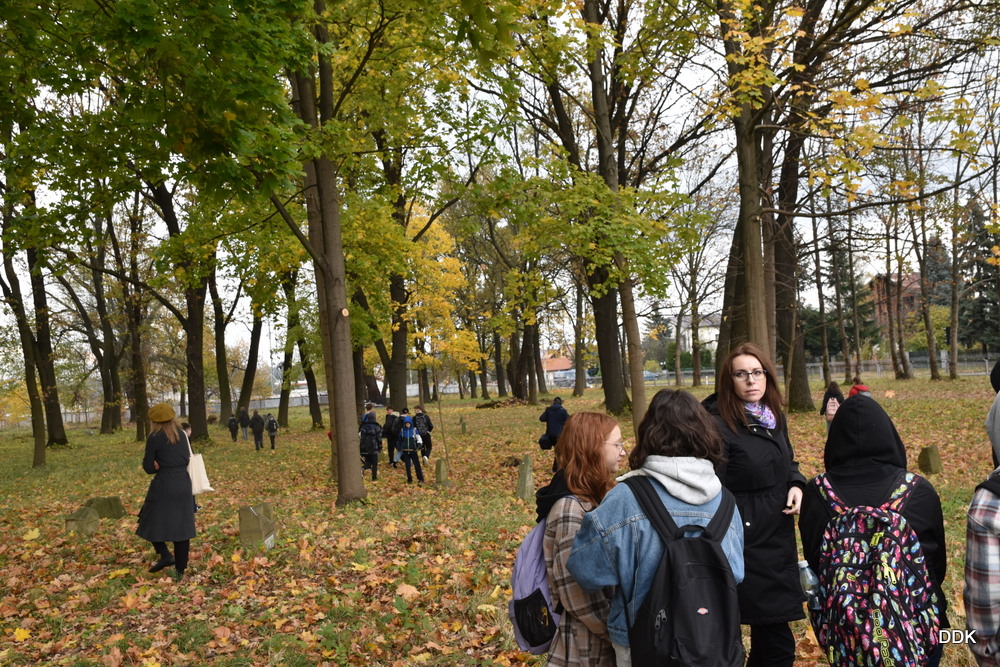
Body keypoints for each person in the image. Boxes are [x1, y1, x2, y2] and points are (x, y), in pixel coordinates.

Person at [567, 390, 744, 665]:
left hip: (642, 643)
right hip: (712, 641)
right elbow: (737, 573)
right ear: (706, 434)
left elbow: (586, 571)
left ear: (649, 434)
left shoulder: (625, 499)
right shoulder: (726, 502)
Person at [800, 394, 948, 666]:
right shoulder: (918, 490)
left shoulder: (817, 493)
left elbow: (815, 559)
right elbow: (935, 566)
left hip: (846, 631)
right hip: (916, 627)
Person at [701, 342, 805, 667]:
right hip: (745, 544)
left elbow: (787, 461)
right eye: (741, 374)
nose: (751, 380)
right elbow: (710, 489)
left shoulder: (772, 417)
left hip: (777, 539)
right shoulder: (717, 425)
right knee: (773, 647)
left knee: (769, 641)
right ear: (728, 380)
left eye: (757, 372)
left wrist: (796, 483)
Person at [534, 412, 623, 666]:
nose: (623, 451)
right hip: (586, 647)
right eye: (617, 444)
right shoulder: (570, 510)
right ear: (592, 448)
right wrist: (618, 633)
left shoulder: (598, 497)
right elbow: (577, 597)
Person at [135, 403, 196, 581]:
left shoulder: (154, 437)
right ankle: (179, 572)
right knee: (182, 527)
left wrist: (156, 465)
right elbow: (186, 458)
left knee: (148, 518)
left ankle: (165, 554)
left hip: (164, 483)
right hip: (183, 483)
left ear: (154, 420)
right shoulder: (182, 434)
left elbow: (149, 467)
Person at [541, 397, 569, 470]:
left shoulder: (548, 410)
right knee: (559, 451)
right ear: (561, 403)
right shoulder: (563, 411)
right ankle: (557, 467)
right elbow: (568, 420)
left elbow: (542, 418)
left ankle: (556, 467)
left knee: (557, 450)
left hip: (550, 434)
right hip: (559, 434)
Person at [396, 414, 424, 484]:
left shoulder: (414, 430)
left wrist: (419, 445)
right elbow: (399, 440)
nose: (407, 425)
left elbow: (419, 439)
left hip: (413, 450)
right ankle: (409, 479)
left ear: (411, 423)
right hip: (405, 451)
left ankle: (420, 478)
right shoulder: (402, 431)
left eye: (408, 424)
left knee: (417, 465)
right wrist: (399, 447)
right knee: (407, 466)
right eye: (406, 424)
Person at [359, 409, 383, 481]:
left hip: (365, 447)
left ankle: (363, 468)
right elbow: (379, 438)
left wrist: (361, 448)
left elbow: (362, 438)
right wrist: (380, 447)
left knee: (368, 462)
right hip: (374, 447)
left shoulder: (363, 427)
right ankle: (374, 477)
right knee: (374, 463)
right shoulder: (377, 427)